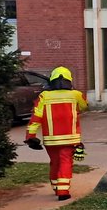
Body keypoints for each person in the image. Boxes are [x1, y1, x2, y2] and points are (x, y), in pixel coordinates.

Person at [24, 66, 88, 201]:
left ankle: (55, 187)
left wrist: (31, 136)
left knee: (55, 162)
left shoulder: (44, 96)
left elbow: (36, 117)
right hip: (70, 138)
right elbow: (84, 106)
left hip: (50, 139)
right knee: (66, 162)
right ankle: (63, 191)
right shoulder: (76, 95)